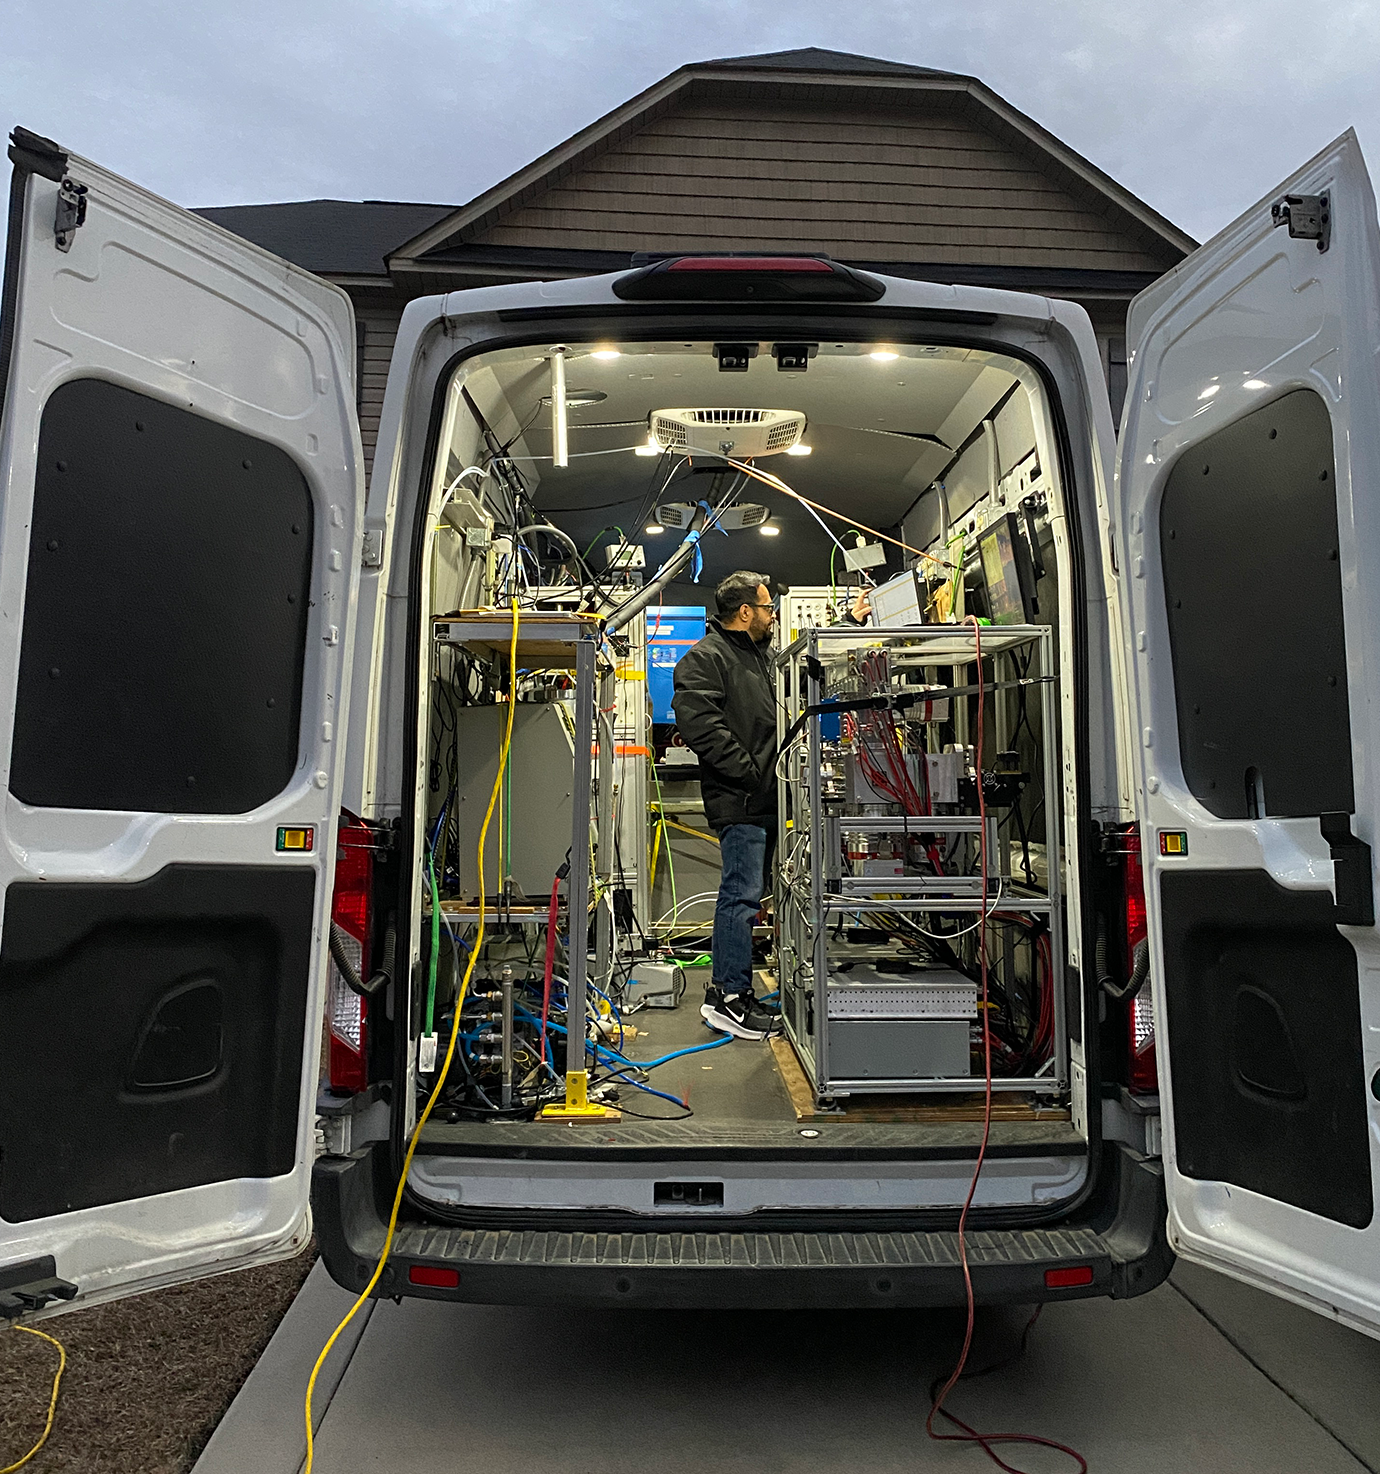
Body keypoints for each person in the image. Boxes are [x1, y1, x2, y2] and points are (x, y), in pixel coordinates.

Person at [672, 571, 783, 1039]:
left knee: (749, 897)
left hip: (763, 798)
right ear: (744, 613)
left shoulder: (756, 657)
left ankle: (738, 992)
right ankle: (727, 998)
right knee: (738, 897)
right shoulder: (706, 659)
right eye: (766, 607)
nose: (772, 615)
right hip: (740, 799)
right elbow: (702, 727)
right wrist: (752, 773)